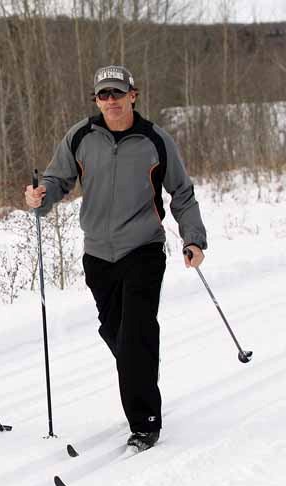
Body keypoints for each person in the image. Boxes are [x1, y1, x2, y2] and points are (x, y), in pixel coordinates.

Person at [25, 65, 207, 451]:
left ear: (133, 95)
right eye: (104, 95)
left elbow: (182, 193)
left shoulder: (155, 140)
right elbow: (58, 180)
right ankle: (139, 370)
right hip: (97, 255)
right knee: (116, 334)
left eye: (117, 94)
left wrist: (194, 239)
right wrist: (40, 197)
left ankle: (145, 423)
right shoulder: (81, 136)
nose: (111, 101)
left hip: (143, 248)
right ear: (97, 100)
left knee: (135, 334)